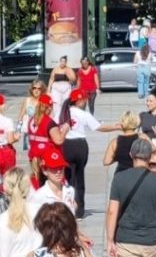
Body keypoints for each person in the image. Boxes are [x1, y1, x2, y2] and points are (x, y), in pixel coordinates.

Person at [63, 88, 118, 218]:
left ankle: (67, 207)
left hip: (66, 145)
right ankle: (79, 210)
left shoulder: (63, 113)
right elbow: (99, 127)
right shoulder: (83, 114)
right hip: (80, 145)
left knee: (67, 179)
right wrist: (117, 126)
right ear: (80, 101)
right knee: (79, 178)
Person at [24, 94, 68, 186]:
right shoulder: (48, 122)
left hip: (34, 156)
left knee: (37, 180)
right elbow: (58, 140)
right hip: (48, 156)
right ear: (48, 107)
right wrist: (65, 130)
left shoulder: (31, 120)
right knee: (53, 183)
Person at [27, 145, 77, 219]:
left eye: (61, 167)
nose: (58, 172)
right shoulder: (38, 196)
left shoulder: (70, 191)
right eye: (54, 168)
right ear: (44, 171)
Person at [47, 55, 77, 122]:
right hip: (56, 88)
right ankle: (56, 119)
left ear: (66, 62)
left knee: (65, 103)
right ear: (59, 61)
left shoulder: (69, 69)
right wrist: (49, 88)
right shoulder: (55, 69)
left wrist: (68, 75)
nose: (63, 63)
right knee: (56, 103)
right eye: (61, 61)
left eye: (64, 61)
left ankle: (64, 118)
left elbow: (74, 79)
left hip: (66, 87)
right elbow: (51, 79)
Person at [17, 80, 44, 151]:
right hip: (28, 132)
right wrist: (18, 130)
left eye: (39, 89)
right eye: (34, 88)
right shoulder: (27, 100)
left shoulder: (44, 101)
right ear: (31, 89)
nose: (36, 90)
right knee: (29, 153)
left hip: (40, 132)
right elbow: (21, 116)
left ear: (42, 90)